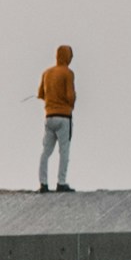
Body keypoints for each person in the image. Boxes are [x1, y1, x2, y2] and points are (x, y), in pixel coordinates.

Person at [35, 43, 77, 191]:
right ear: (68, 56)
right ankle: (61, 182)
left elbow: (40, 94)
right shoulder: (68, 73)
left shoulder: (46, 73)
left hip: (49, 116)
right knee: (64, 151)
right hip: (64, 117)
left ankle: (43, 183)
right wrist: (70, 105)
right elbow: (70, 95)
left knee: (46, 151)